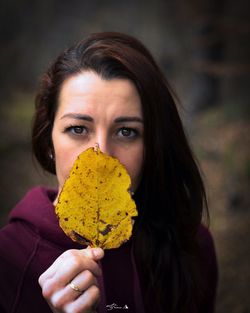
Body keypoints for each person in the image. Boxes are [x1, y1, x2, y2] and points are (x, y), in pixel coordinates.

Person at [0, 32, 218, 313]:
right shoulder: (8, 259)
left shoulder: (193, 249)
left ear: (152, 147)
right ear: (48, 141)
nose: (102, 156)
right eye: (78, 129)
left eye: (127, 132)